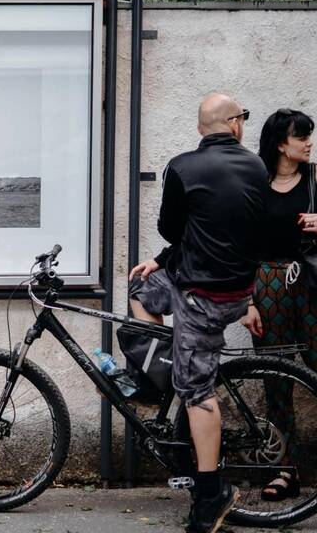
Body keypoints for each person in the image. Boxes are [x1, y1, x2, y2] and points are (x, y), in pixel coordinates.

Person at [128, 93, 267, 533]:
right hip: (230, 288)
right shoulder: (256, 167)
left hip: (202, 298)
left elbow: (172, 225)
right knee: (142, 288)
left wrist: (172, 252)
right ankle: (165, 379)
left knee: (198, 393)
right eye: (242, 117)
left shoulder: (183, 166)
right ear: (233, 124)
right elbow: (207, 233)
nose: (244, 123)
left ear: (202, 128)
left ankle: (212, 494)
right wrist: (163, 261)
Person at [239, 108, 317, 501]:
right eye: (300, 135)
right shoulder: (255, 182)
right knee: (276, 379)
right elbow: (241, 245)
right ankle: (284, 470)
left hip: (312, 285)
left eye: (309, 134)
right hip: (266, 286)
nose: (308, 141)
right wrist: (245, 302)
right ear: (280, 143)